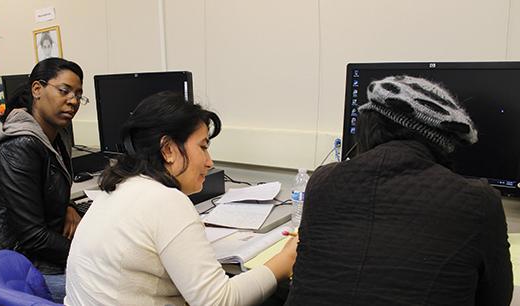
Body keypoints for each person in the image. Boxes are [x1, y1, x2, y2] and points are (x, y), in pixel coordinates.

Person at [286, 75, 513, 305]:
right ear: (445, 145)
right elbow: (497, 299)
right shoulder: (480, 202)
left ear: (366, 130)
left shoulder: (322, 181)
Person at [65, 91, 298, 306]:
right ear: (168, 149)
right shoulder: (165, 202)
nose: (209, 162)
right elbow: (219, 301)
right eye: (203, 147)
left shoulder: (118, 187)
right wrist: (285, 259)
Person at [0, 57, 88, 303]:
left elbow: (45, 187)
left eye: (79, 94)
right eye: (64, 91)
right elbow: (33, 236)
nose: (73, 101)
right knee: (104, 286)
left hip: (39, 247)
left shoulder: (58, 133)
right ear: (37, 89)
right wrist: (88, 254)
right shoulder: (20, 145)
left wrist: (67, 206)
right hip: (16, 260)